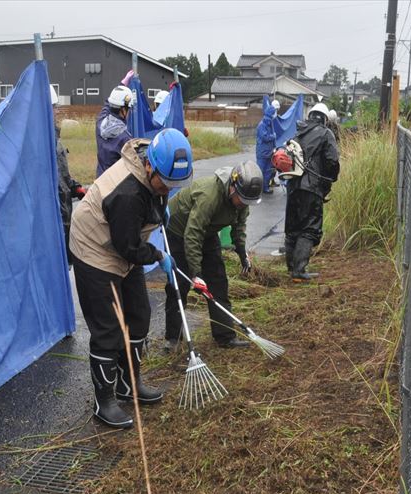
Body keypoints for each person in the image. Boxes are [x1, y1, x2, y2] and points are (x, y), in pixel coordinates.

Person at [69, 128, 193, 428]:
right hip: (95, 249)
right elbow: (127, 248)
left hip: (125, 242)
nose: (167, 190)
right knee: (109, 329)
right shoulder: (127, 192)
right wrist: (158, 255)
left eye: (172, 186)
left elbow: (143, 218)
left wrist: (158, 209)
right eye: (164, 185)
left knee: (139, 315)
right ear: (149, 166)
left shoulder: (155, 167)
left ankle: (129, 384)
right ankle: (105, 401)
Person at [163, 160, 262, 350]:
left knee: (218, 282)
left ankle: (225, 336)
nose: (243, 204)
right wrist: (196, 273)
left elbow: (239, 226)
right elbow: (192, 234)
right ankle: (173, 339)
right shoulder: (209, 196)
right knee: (179, 285)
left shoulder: (243, 199)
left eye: (246, 202)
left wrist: (242, 253)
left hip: (207, 233)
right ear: (233, 187)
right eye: (241, 200)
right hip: (178, 232)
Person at [279, 102, 340, 282]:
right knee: (309, 229)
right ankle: (298, 271)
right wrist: (328, 182)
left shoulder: (298, 133)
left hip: (293, 187)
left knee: (293, 228)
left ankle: (291, 267)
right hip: (312, 188)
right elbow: (332, 162)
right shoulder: (326, 134)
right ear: (325, 119)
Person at [51, 85, 86, 264]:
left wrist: (75, 187)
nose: (56, 111)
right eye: (53, 107)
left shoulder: (54, 140)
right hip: (52, 222)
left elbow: (61, 177)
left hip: (63, 215)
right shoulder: (41, 143)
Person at [95, 70, 137, 177]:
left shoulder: (100, 122)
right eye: (129, 109)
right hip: (114, 188)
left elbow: (107, 104)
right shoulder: (125, 139)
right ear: (123, 110)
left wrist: (122, 84)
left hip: (99, 182)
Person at [256, 101, 277, 194]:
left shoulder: (269, 123)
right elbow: (265, 137)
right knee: (260, 171)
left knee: (268, 171)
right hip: (262, 152)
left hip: (269, 152)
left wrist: (274, 147)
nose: (274, 115)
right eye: (274, 112)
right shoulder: (262, 125)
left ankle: (265, 188)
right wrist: (273, 136)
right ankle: (258, 189)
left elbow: (272, 138)